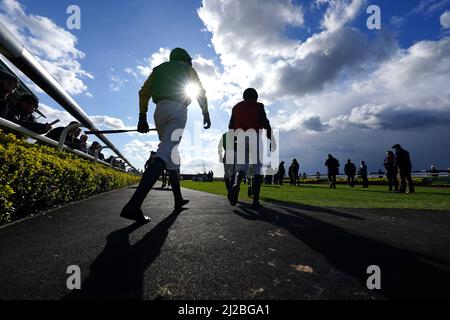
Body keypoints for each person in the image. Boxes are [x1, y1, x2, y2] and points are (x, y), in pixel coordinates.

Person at [121, 47, 210, 223]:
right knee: (165, 153)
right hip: (178, 111)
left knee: (172, 156)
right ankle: (133, 205)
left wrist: (142, 117)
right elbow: (200, 92)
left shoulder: (158, 69)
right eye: (189, 59)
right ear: (185, 58)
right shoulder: (189, 70)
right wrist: (205, 112)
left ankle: (177, 199)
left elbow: (143, 93)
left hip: (159, 112)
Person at [227, 88, 273, 209]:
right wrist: (270, 137)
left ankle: (236, 184)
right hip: (255, 136)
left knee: (241, 167)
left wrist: (233, 140)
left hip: (241, 137)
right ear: (255, 97)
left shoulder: (236, 107)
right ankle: (255, 202)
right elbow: (265, 122)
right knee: (257, 168)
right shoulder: (259, 106)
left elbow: (231, 125)